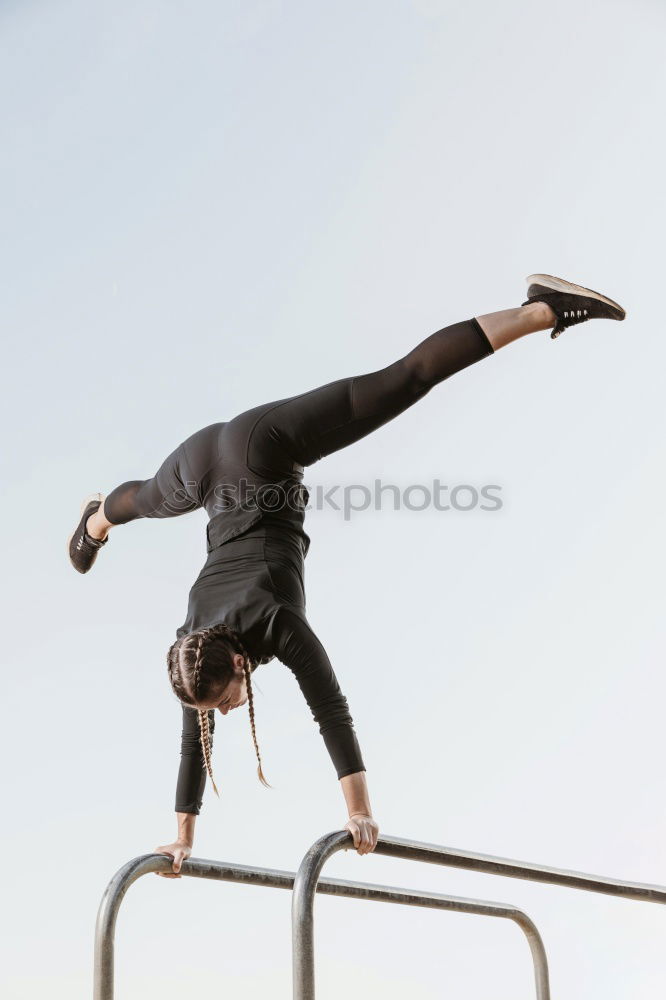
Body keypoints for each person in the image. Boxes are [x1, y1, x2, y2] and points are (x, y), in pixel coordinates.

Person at [67, 274, 625, 874]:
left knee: (406, 380)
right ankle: (96, 520)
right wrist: (183, 838)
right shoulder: (191, 654)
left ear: (235, 663)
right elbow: (191, 745)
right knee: (151, 496)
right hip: (206, 464)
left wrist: (359, 811)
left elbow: (330, 708)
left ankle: (542, 309)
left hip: (263, 449)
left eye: (225, 699)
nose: (224, 711)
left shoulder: (276, 625)